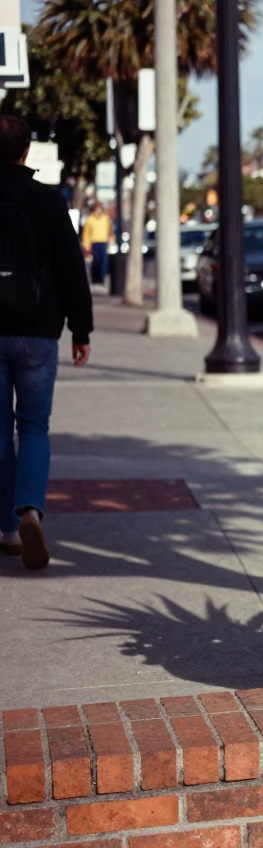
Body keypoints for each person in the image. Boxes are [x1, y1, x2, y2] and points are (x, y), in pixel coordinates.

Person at [0, 115, 92, 569]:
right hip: (36, 332)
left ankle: (6, 530)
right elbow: (71, 269)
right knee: (33, 427)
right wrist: (81, 329)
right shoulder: (48, 202)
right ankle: (30, 511)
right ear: (26, 152)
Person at [81, 201, 112, 285]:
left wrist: (110, 239)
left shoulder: (105, 219)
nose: (99, 210)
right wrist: (86, 246)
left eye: (100, 208)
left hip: (103, 242)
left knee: (104, 262)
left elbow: (109, 230)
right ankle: (96, 279)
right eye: (97, 208)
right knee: (96, 261)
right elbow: (86, 233)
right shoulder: (90, 219)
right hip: (94, 243)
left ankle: (102, 279)